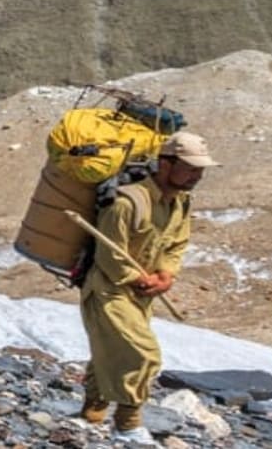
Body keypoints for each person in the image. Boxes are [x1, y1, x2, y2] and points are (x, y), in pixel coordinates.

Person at [80, 130, 217, 444]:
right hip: (108, 290)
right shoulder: (127, 202)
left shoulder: (179, 203)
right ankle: (128, 424)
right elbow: (110, 254)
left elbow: (176, 244)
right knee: (144, 354)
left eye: (201, 169)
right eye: (192, 168)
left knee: (111, 349)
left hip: (142, 296)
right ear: (166, 164)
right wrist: (138, 278)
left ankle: (91, 414)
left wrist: (166, 274)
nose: (198, 175)